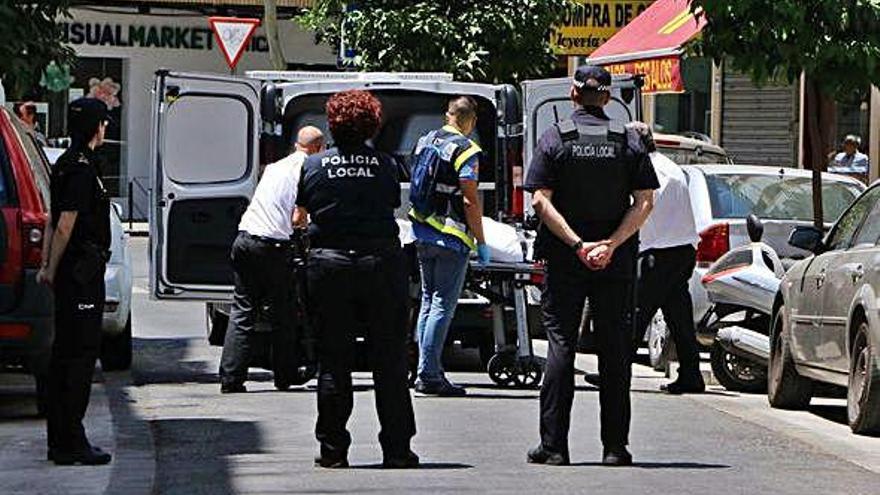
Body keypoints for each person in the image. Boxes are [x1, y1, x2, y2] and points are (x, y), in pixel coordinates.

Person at [524, 66, 658, 467]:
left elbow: (538, 201)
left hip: (567, 258)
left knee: (561, 345)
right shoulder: (628, 141)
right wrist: (611, 245)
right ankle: (615, 447)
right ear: (609, 97)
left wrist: (578, 244)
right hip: (614, 262)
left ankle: (554, 447)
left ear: (574, 94)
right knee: (615, 350)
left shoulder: (556, 138)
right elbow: (645, 202)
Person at [294, 90, 418, 469]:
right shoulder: (385, 165)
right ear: (371, 124)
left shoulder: (313, 166)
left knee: (334, 360)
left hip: (329, 265)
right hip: (380, 263)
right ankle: (397, 449)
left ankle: (333, 449)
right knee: (390, 360)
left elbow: (301, 215)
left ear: (332, 123)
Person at [219, 126, 325, 393]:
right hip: (273, 247)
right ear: (319, 147)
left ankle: (231, 378)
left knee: (243, 310)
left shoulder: (276, 167)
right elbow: (297, 219)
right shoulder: (309, 170)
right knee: (283, 313)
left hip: (245, 240)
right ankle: (285, 375)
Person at [37, 98, 113, 465]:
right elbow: (65, 223)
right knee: (78, 357)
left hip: (72, 272)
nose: (107, 128)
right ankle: (71, 439)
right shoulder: (82, 170)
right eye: (104, 122)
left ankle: (60, 439)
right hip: (81, 274)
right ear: (96, 127)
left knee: (63, 355)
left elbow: (52, 220)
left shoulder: (66, 164)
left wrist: (47, 265)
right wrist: (52, 267)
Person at [409, 96, 489, 397]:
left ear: (448, 115)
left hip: (422, 230)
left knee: (428, 301)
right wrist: (481, 242)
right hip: (450, 236)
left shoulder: (426, 140)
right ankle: (429, 375)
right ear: (471, 120)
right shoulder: (467, 150)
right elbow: (469, 199)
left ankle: (423, 369)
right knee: (442, 304)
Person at [630, 125, 705, 394]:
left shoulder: (647, 171)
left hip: (657, 253)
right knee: (679, 317)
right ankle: (691, 374)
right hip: (682, 250)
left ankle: (614, 373)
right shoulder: (670, 166)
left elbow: (641, 210)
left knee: (634, 314)